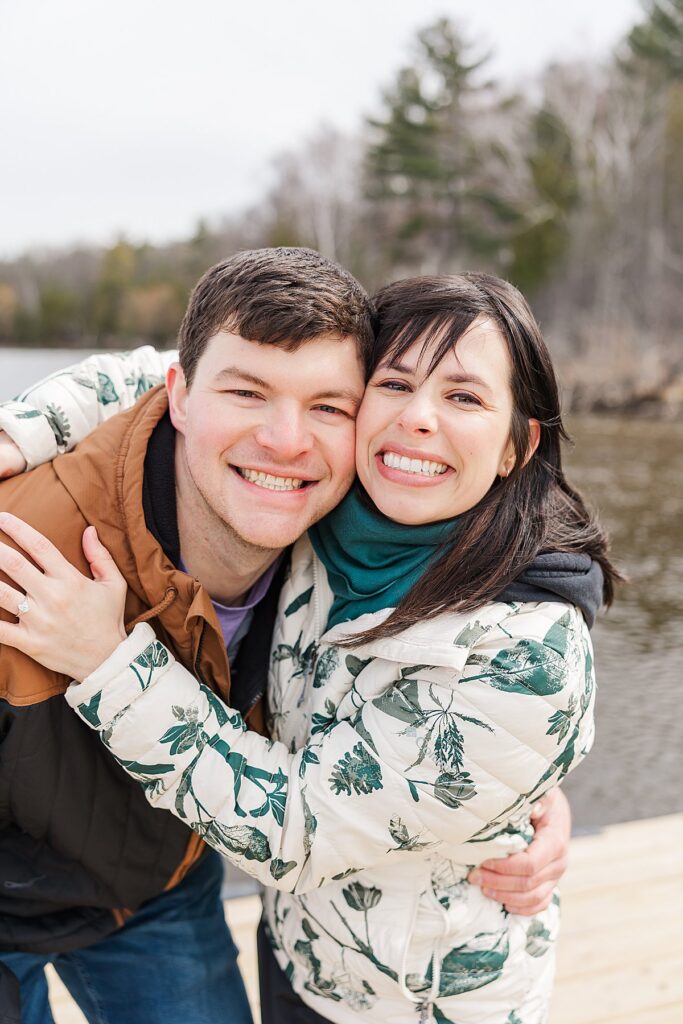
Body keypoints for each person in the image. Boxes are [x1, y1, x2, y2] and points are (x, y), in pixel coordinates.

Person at [0, 269, 615, 1023]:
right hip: (301, 957)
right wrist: (21, 428)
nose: (419, 418)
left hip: (414, 1004)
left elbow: (298, 828)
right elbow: (183, 370)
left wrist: (108, 661)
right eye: (395, 385)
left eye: (463, 397)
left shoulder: (524, 654)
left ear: (518, 444)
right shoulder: (332, 506)